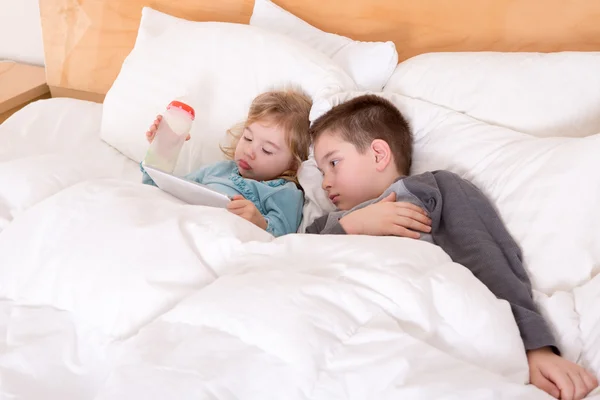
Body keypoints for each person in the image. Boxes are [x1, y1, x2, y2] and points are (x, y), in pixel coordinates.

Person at [306, 94, 599, 400]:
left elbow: (486, 257)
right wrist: (354, 225)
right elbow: (296, 258)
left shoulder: (432, 189)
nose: (325, 182)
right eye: (322, 171)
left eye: (333, 163)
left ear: (379, 154)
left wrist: (536, 347)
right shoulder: (325, 224)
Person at [141, 90, 312, 237]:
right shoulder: (218, 170)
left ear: (294, 164)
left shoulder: (284, 192)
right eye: (248, 138)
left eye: (266, 150)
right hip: (179, 227)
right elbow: (163, 192)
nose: (249, 151)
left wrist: (260, 223)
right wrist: (161, 150)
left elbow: (286, 240)